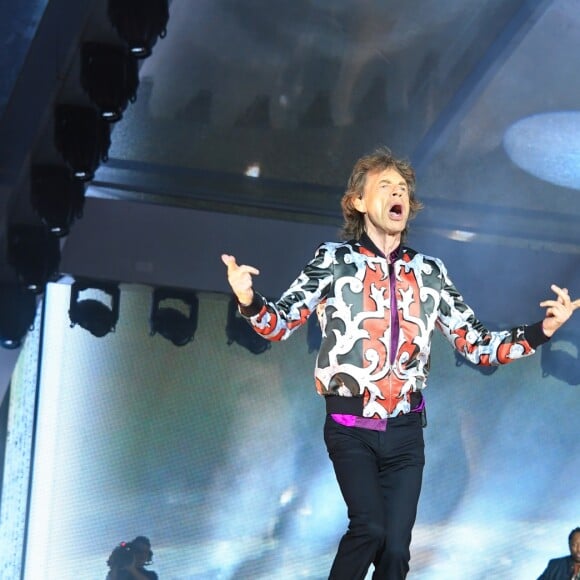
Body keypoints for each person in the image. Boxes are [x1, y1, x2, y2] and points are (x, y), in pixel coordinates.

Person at [221, 147, 580, 579]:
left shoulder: (430, 270)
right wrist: (247, 299)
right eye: (386, 186)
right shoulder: (333, 261)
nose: (398, 194)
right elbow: (278, 324)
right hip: (352, 424)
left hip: (406, 432)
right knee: (369, 528)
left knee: (395, 554)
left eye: (404, 189)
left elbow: (478, 345)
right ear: (358, 201)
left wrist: (543, 329)